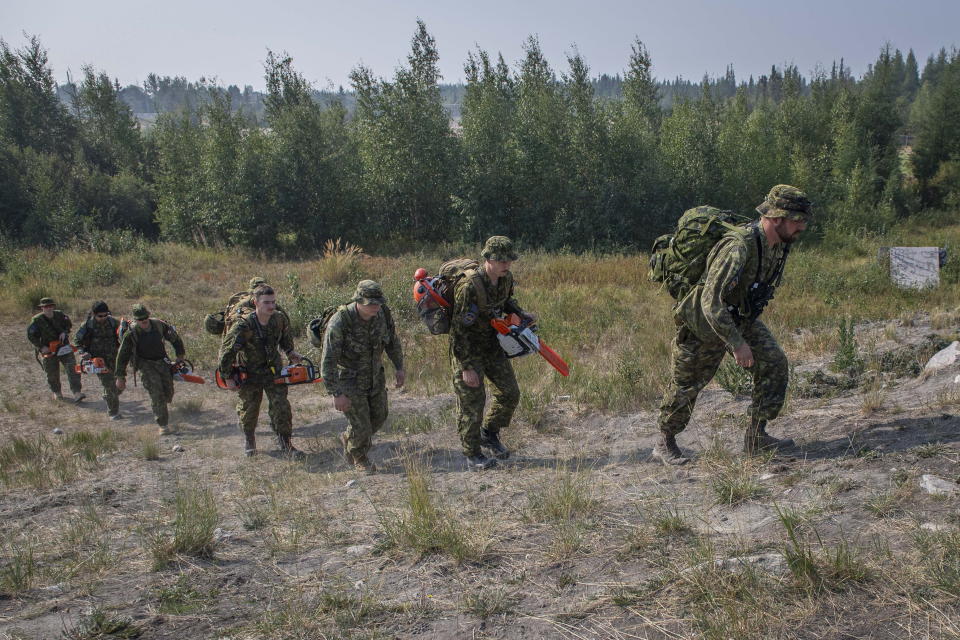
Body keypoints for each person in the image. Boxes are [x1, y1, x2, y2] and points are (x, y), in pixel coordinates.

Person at [653, 185, 812, 465]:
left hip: (740, 316)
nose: (802, 226)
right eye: (797, 220)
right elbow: (709, 301)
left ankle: (756, 437)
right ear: (777, 218)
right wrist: (737, 344)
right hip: (705, 322)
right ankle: (664, 442)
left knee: (774, 363)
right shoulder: (739, 247)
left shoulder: (778, 246)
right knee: (687, 384)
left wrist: (742, 332)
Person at [450, 236, 535, 469]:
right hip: (468, 349)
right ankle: (472, 453)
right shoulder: (469, 286)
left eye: (509, 260)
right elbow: (459, 330)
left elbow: (506, 301)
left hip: (492, 344)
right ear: (487, 259)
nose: (506, 265)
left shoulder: (506, 279)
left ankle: (490, 433)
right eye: (500, 260)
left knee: (510, 393)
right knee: (473, 402)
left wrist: (521, 313)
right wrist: (466, 367)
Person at [321, 280, 404, 473]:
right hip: (350, 380)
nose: (376, 307)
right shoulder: (341, 321)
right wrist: (336, 393)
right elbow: (328, 360)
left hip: (375, 376)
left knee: (380, 416)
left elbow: (392, 341)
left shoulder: (383, 314)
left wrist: (399, 367)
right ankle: (359, 457)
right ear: (358, 300)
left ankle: (350, 438)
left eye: (378, 302)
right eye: (371, 304)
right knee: (362, 426)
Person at [219, 285, 305, 458]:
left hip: (274, 371)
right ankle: (249, 440)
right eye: (266, 302)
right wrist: (227, 377)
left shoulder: (279, 319)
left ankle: (285, 443)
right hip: (249, 373)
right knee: (249, 409)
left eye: (273, 302)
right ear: (255, 302)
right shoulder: (244, 326)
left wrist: (290, 352)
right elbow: (227, 353)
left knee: (281, 407)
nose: (271, 306)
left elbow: (286, 340)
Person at [115, 303, 186, 435]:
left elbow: (175, 339)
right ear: (136, 320)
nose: (144, 322)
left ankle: (161, 407)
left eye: (145, 319)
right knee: (156, 393)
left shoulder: (159, 325)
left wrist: (180, 356)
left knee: (168, 392)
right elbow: (122, 356)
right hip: (145, 364)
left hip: (162, 362)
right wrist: (120, 377)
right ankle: (163, 425)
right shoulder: (131, 333)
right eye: (140, 320)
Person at [27, 297, 84, 402]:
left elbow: (68, 325)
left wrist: (64, 332)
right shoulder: (37, 320)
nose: (48, 308)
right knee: (52, 373)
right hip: (48, 349)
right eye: (45, 307)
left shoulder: (60, 315)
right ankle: (57, 392)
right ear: (42, 308)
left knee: (72, 369)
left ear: (53, 306)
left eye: (50, 306)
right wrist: (41, 347)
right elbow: (31, 335)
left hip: (63, 347)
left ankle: (77, 392)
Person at [73, 301, 122, 419]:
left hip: (115, 358)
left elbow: (123, 335)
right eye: (100, 316)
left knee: (119, 385)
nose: (103, 318)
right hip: (98, 361)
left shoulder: (113, 322)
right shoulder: (87, 326)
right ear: (94, 314)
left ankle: (107, 395)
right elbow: (77, 341)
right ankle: (113, 412)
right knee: (110, 385)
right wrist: (83, 352)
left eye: (106, 315)